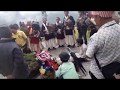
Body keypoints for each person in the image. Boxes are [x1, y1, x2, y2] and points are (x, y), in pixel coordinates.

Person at [86, 11, 120, 79]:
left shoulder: (97, 37)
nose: (93, 19)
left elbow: (88, 55)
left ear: (99, 17)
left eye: (94, 17)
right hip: (116, 70)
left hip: (100, 73)